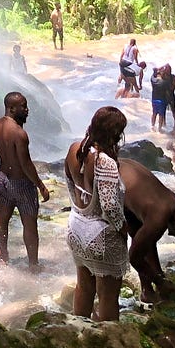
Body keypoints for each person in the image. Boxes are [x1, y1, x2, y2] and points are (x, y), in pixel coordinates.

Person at [64, 106, 128, 321]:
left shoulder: (75, 149)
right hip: (100, 234)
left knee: (83, 286)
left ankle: (79, 330)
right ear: (113, 134)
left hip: (76, 227)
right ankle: (110, 342)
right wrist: (123, 230)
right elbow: (110, 207)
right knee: (108, 296)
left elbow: (71, 185)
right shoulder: (105, 162)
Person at [117, 159, 175, 303]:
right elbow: (134, 257)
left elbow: (147, 243)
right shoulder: (159, 218)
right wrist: (159, 281)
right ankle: (146, 290)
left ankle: (146, 291)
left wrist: (160, 276)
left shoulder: (174, 201)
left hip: (124, 179)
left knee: (140, 237)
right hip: (110, 180)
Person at [0, 92, 52, 267]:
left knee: (2, 217)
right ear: (11, 108)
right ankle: (33, 265)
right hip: (21, 183)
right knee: (29, 222)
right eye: (23, 107)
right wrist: (40, 185)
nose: (27, 110)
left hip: (2, 177)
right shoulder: (19, 133)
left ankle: (3, 257)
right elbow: (25, 164)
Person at [150, 63, 173, 132]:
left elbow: (153, 75)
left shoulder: (154, 81)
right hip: (162, 100)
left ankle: (152, 126)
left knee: (154, 113)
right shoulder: (165, 82)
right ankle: (159, 129)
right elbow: (169, 91)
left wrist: (159, 68)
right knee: (161, 115)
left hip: (154, 99)